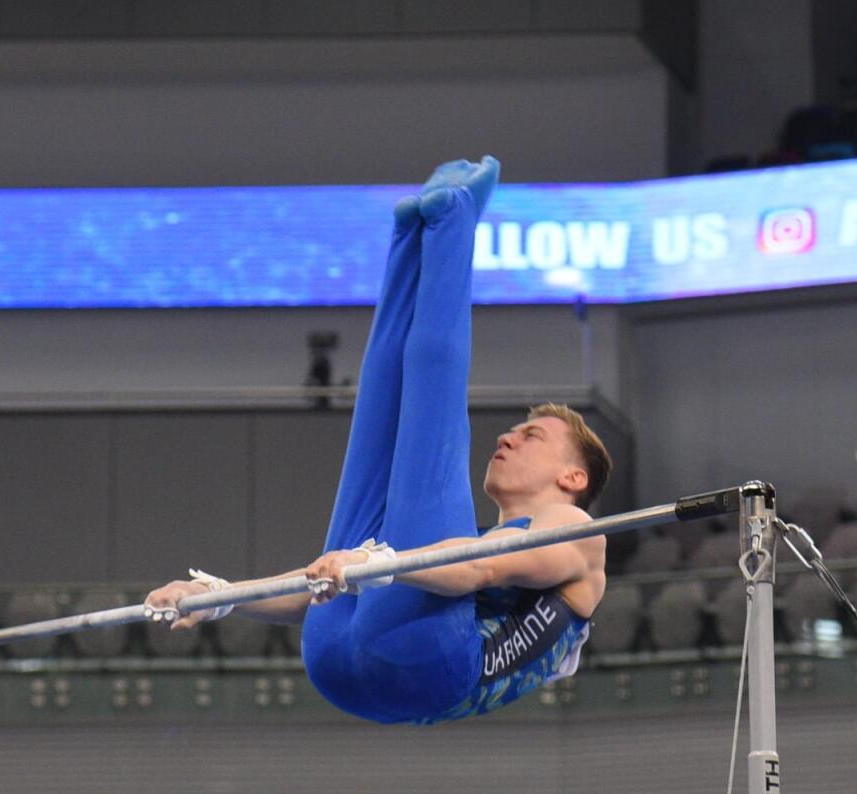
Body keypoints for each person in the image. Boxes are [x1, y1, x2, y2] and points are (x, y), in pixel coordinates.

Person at [144, 155, 613, 725]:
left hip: (428, 666)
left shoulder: (579, 531)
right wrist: (218, 597)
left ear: (573, 477)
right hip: (337, 661)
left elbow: (479, 571)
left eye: (532, 435)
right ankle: (411, 232)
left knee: (429, 419)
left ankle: (452, 222)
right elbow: (319, 586)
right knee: (380, 419)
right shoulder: (437, 549)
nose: (508, 439)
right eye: (513, 430)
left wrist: (377, 562)